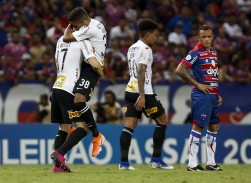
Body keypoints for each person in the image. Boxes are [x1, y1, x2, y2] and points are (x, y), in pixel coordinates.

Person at [119, 18, 173, 170]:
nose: (156, 37)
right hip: (144, 92)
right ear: (148, 35)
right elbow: (141, 71)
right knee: (162, 121)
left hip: (129, 90)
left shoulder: (132, 48)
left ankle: (123, 163)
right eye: (155, 35)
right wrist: (142, 95)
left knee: (129, 126)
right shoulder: (146, 49)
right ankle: (156, 159)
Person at [50, 36, 104, 173]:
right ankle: (60, 153)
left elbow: (57, 62)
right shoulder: (83, 41)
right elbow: (94, 64)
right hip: (69, 89)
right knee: (84, 127)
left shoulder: (60, 40)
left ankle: (58, 167)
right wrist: (101, 72)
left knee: (64, 127)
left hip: (56, 87)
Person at [175, 25, 223, 171]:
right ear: (198, 38)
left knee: (214, 127)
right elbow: (179, 69)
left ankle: (211, 163)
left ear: (213, 37)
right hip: (201, 95)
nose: (207, 39)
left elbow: (212, 75)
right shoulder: (195, 52)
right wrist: (197, 84)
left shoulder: (213, 53)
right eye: (204, 37)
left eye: (209, 36)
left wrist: (217, 93)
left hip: (213, 95)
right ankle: (192, 163)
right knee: (198, 126)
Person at [62, 7, 107, 157]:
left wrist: (69, 28)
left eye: (75, 25)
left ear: (82, 22)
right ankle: (72, 129)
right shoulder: (97, 23)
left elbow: (66, 38)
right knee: (64, 96)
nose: (74, 28)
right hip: (88, 65)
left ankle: (97, 136)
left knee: (79, 100)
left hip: (91, 67)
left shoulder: (90, 29)